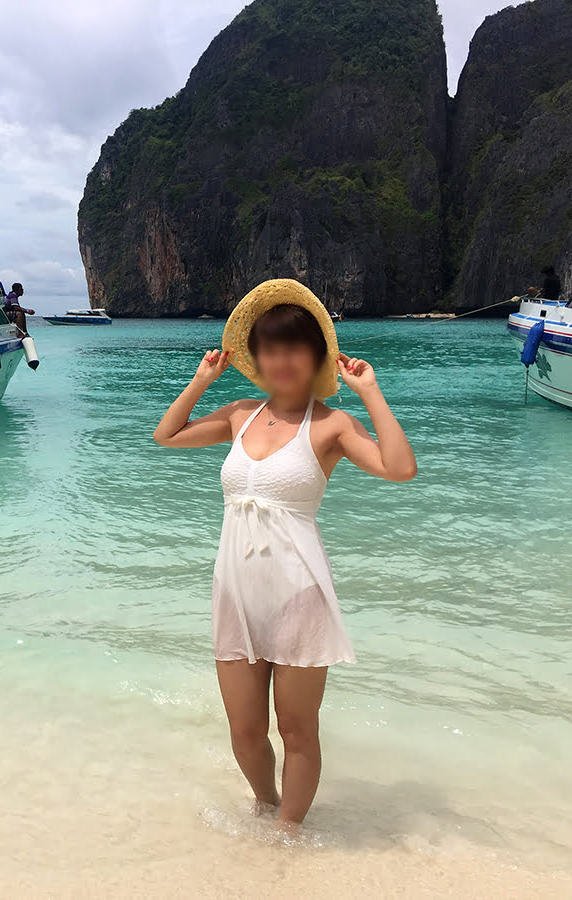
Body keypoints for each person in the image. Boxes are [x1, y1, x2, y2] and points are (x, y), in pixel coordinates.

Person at [152, 279, 417, 830]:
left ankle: (289, 835)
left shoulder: (331, 425)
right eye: (271, 349)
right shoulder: (239, 414)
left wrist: (370, 392)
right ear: (259, 358)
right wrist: (202, 381)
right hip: (237, 596)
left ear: (317, 355)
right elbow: (167, 435)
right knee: (245, 733)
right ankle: (266, 806)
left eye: (295, 348)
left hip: (299, 596)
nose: (282, 360)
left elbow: (399, 468)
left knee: (297, 730)